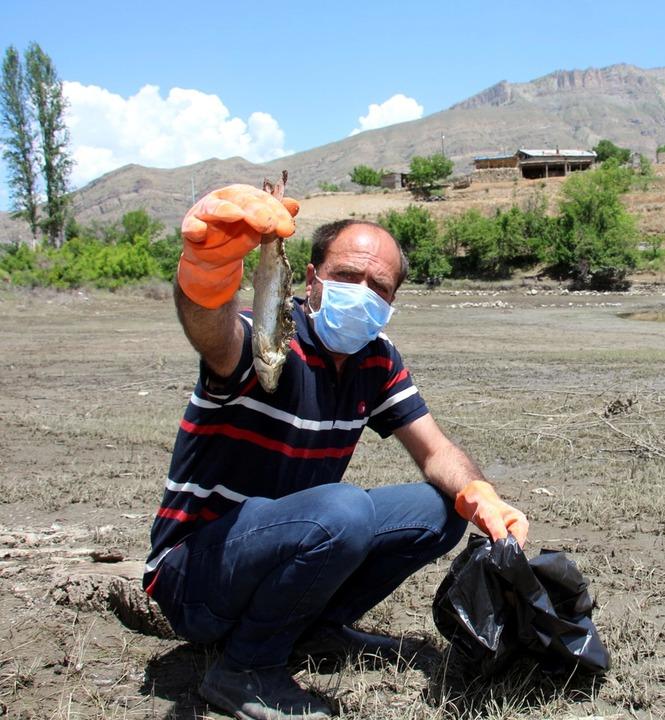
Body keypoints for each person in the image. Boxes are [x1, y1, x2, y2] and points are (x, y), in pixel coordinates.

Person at [143, 184, 529, 720]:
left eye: (379, 286)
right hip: (196, 577)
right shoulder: (268, 340)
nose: (362, 292)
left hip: (291, 544)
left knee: (441, 508)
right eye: (348, 276)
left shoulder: (377, 359)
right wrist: (207, 275)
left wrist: (480, 494)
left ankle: (315, 630)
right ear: (310, 279)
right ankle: (245, 671)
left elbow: (435, 448)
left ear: (392, 302)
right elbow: (216, 334)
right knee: (342, 510)